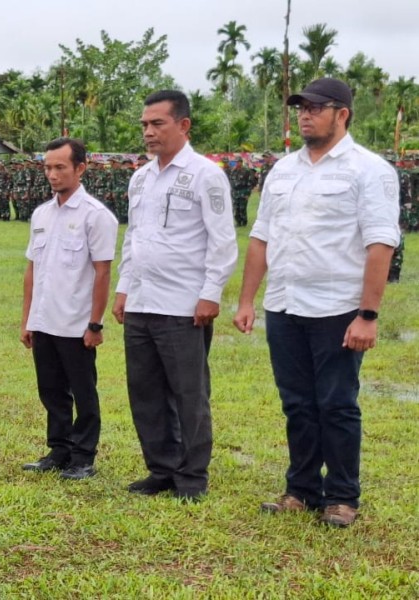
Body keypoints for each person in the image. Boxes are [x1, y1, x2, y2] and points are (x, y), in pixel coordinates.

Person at [233, 78, 399, 528]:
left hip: (337, 309)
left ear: (342, 113)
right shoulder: (283, 170)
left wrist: (367, 315)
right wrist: (248, 299)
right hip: (285, 304)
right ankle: (301, 490)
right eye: (300, 107)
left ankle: (342, 497)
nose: (304, 114)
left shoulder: (370, 170)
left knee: (337, 403)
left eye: (315, 107)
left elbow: (380, 244)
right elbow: (261, 237)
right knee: (297, 404)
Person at [111, 90, 238, 501]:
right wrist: (124, 288)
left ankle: (191, 476)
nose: (148, 132)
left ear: (183, 125)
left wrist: (210, 293)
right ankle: (161, 468)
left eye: (157, 123)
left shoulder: (206, 174)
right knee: (145, 391)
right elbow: (134, 238)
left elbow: (222, 240)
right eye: (145, 125)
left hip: (184, 304)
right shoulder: (141, 177)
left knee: (189, 393)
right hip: (143, 301)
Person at [20, 138, 118, 480]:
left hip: (76, 323)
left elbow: (103, 272)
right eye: (48, 167)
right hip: (44, 320)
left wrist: (96, 324)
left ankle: (83, 457)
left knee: (83, 392)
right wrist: (27, 320)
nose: (52, 174)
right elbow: (32, 269)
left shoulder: (96, 216)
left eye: (60, 167)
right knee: (51, 390)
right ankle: (59, 450)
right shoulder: (41, 214)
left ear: (80, 168)